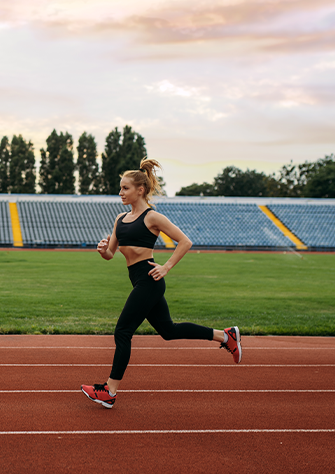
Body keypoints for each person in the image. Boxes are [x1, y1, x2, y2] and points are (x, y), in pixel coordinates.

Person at [81, 158, 241, 409]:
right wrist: (102, 250)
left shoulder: (152, 217)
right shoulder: (120, 219)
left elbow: (185, 241)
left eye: (125, 188)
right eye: (120, 188)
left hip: (149, 280)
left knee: (123, 331)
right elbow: (111, 254)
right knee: (168, 331)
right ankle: (225, 336)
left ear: (140, 190)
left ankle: (110, 390)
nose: (120, 192)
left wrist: (166, 267)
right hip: (138, 281)